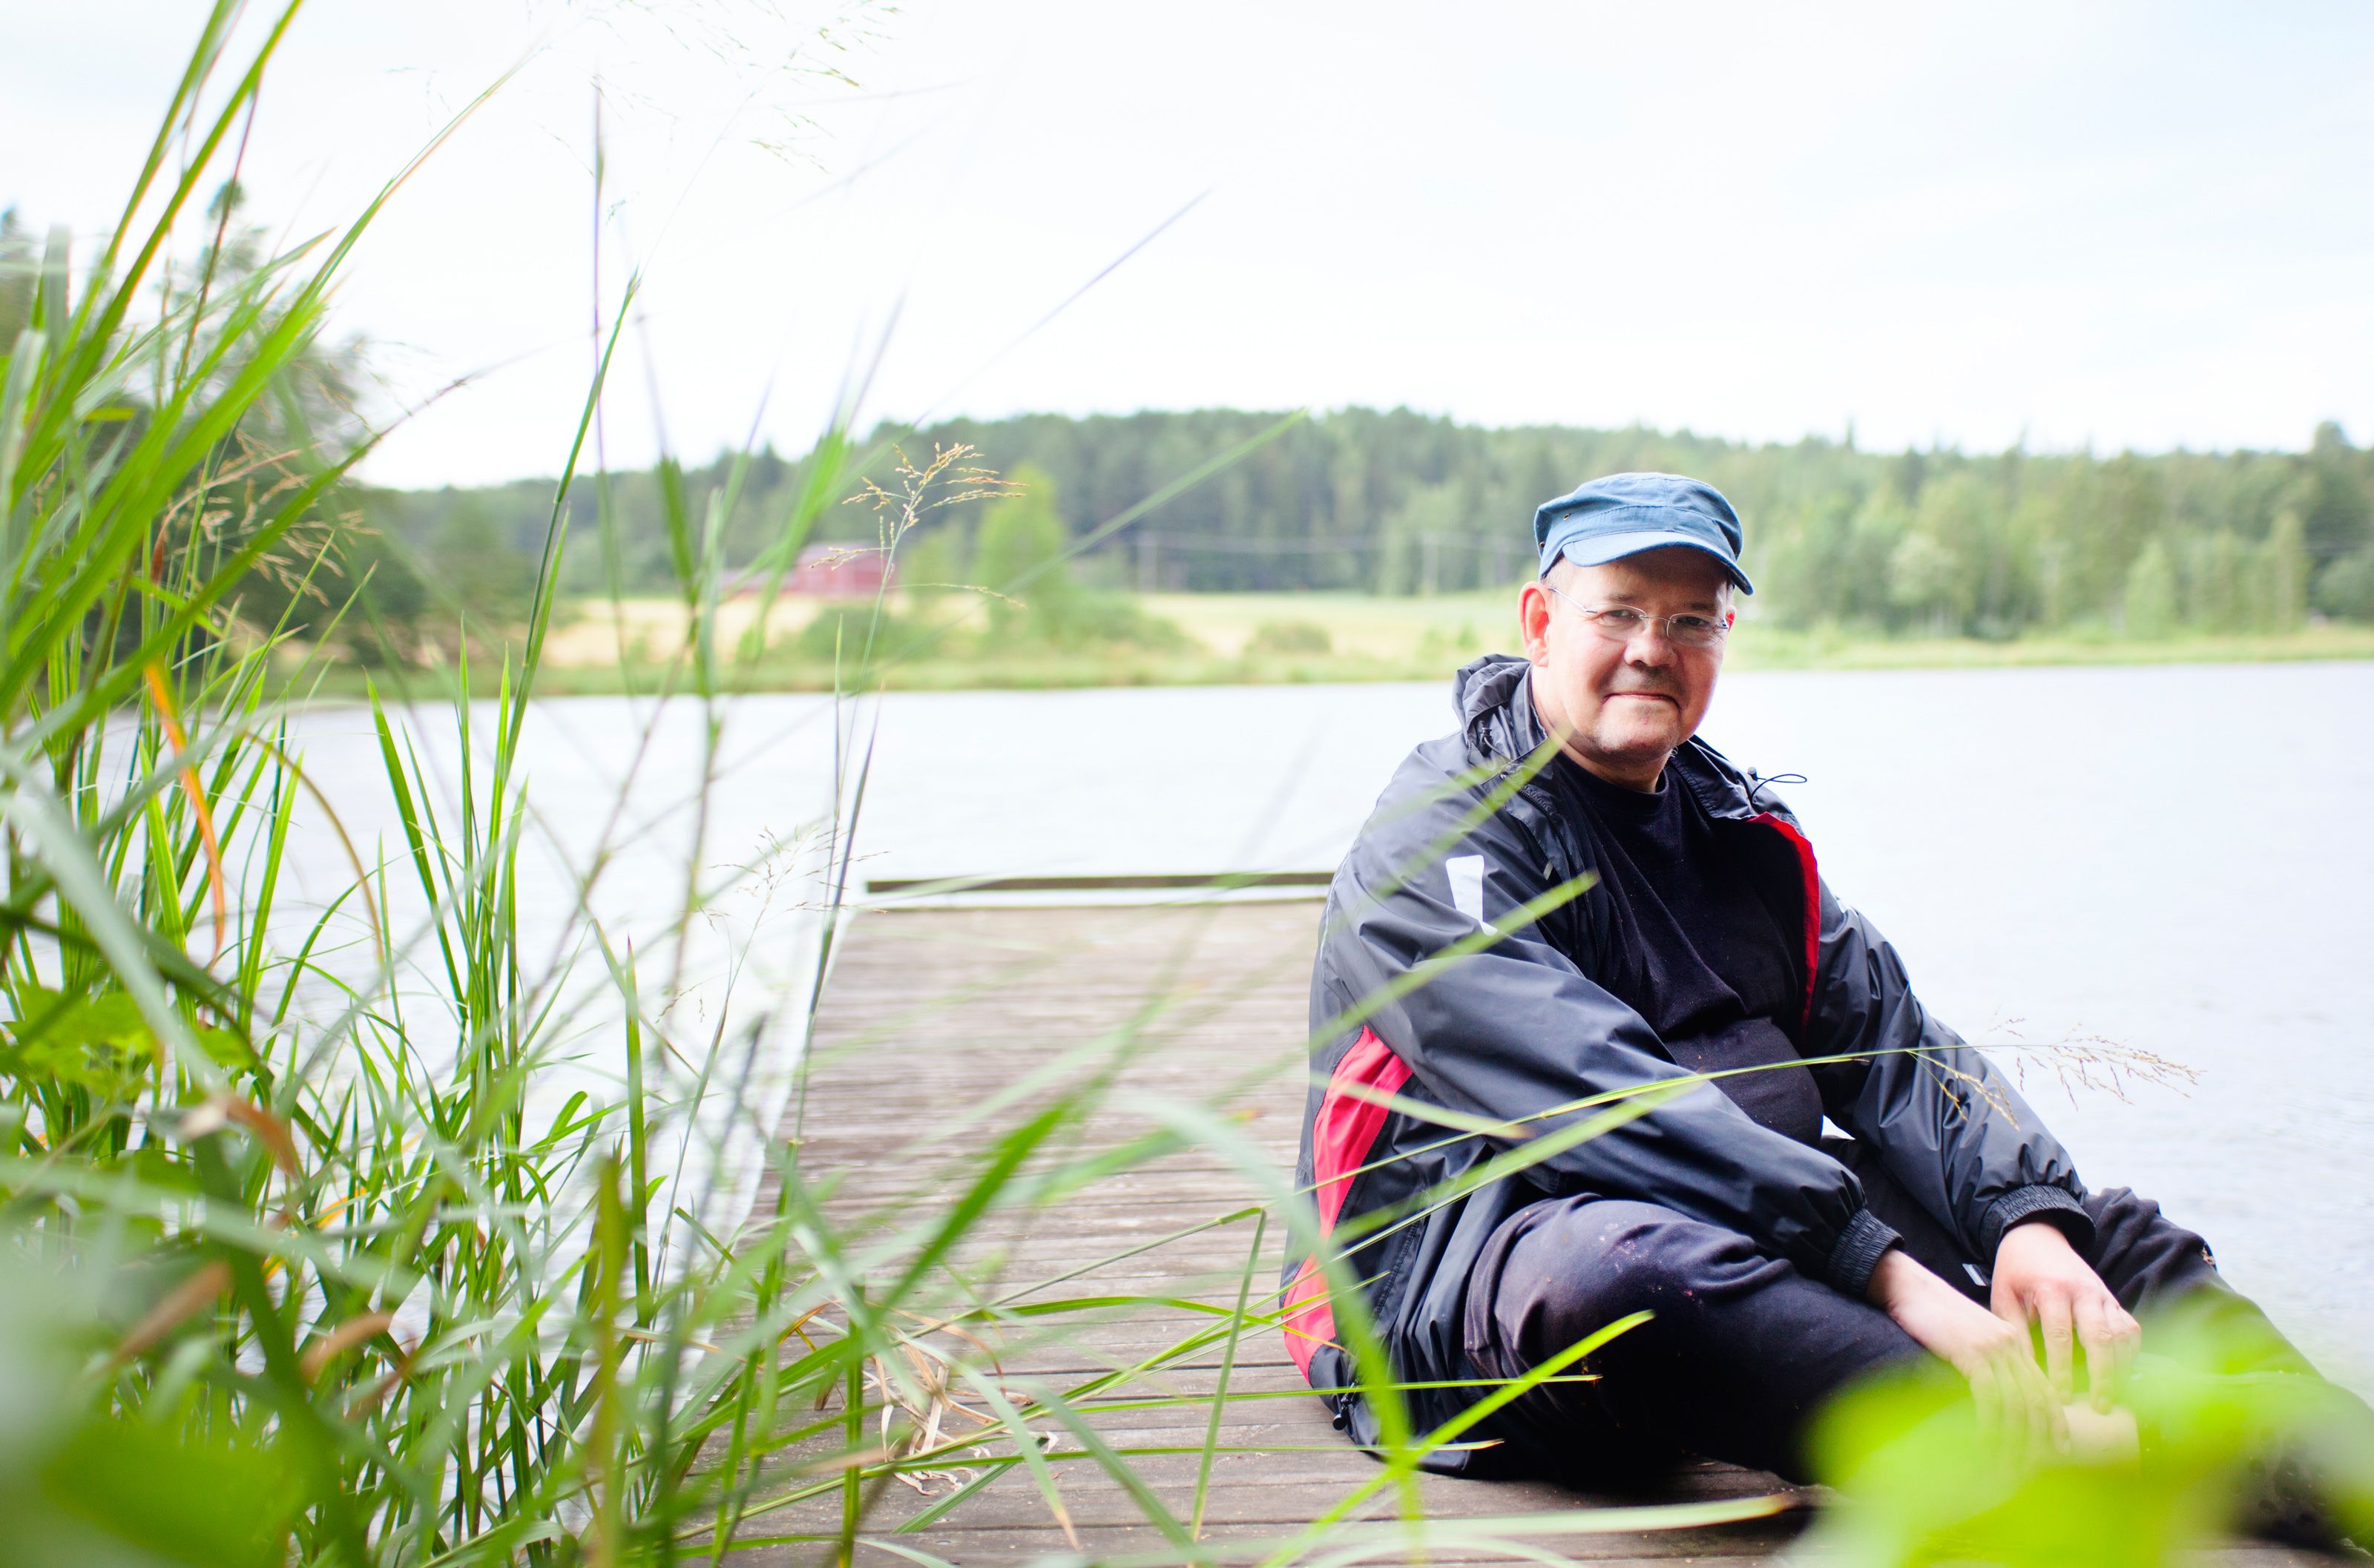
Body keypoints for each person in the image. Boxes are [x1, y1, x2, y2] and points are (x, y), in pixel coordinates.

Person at [1283, 472, 2358, 1505]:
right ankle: (2131, 1452)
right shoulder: (1443, 838)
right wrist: (1885, 1269)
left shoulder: (1734, 829)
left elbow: (1894, 1049)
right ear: (1540, 620)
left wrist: (2024, 1214)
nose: (1652, 651)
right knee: (1631, 1278)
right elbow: (1594, 1097)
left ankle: (2338, 1457)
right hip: (1461, 1271)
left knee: (2102, 1245)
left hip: (1758, 1218)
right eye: (1619, 612)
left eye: (1692, 621)